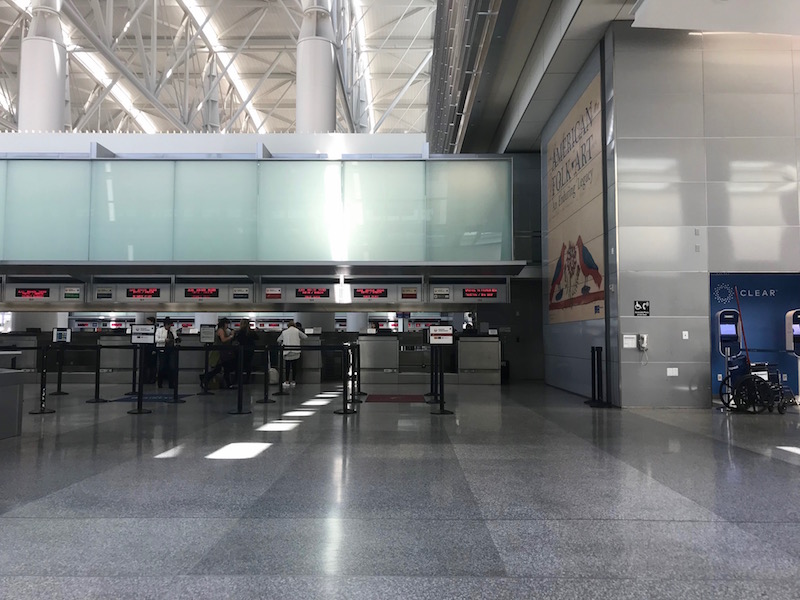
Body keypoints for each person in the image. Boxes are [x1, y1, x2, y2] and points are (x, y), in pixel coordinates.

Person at [199, 317, 236, 390]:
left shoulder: (220, 330)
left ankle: (227, 384)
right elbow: (223, 340)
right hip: (220, 353)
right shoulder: (221, 331)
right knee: (221, 368)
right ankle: (205, 378)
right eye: (227, 324)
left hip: (221, 352)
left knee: (222, 368)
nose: (227, 325)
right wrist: (231, 336)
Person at [277, 320, 307, 388]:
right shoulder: (297, 331)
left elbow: (278, 339)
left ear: (288, 326)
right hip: (295, 351)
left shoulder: (284, 332)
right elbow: (305, 337)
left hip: (287, 351)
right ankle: (293, 381)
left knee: (287, 367)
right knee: (294, 367)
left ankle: (287, 381)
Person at [233, 318, 258, 384]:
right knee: (248, 365)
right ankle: (247, 379)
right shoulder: (251, 332)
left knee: (238, 365)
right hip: (250, 350)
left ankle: (237, 379)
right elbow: (257, 338)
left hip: (240, 350)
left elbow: (236, 339)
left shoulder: (239, 332)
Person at [155, 317, 176, 388]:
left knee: (171, 367)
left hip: (171, 350)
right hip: (162, 350)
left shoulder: (173, 330)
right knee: (162, 367)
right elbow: (156, 339)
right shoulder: (159, 330)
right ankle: (160, 383)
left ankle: (171, 384)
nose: (169, 326)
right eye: (168, 325)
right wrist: (164, 340)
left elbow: (175, 337)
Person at [143, 316, 158, 384]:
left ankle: (151, 379)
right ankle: (148, 379)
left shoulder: (153, 330)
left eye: (148, 321)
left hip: (151, 349)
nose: (147, 323)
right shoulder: (152, 329)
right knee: (149, 365)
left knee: (151, 366)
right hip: (148, 349)